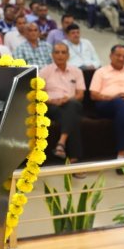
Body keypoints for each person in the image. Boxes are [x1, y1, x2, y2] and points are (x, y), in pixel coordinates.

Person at [40, 43, 86, 175]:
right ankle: (74, 162)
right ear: (52, 55)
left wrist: (68, 99)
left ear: (68, 55)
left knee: (72, 107)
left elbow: (80, 95)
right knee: (73, 118)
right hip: (51, 106)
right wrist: (51, 100)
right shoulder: (45, 71)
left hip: (71, 104)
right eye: (57, 52)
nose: (60, 55)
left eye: (63, 52)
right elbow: (39, 94)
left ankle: (61, 143)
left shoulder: (77, 71)